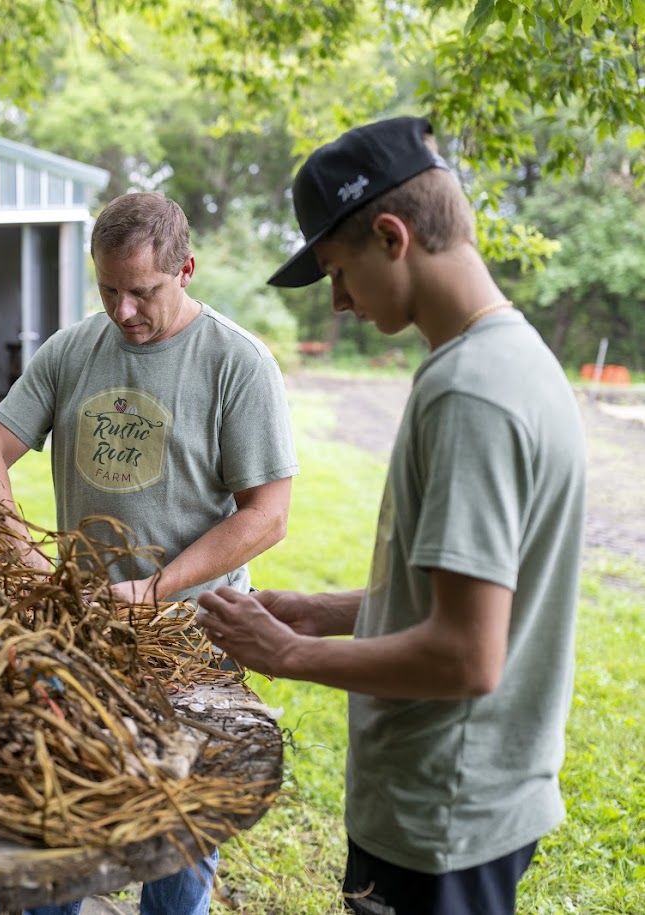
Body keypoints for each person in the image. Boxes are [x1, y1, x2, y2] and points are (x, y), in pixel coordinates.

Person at [196, 117, 586, 915]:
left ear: (390, 235)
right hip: (477, 798)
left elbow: (465, 656)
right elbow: (482, 604)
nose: (337, 303)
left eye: (337, 271)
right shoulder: (512, 359)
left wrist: (286, 653)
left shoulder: (468, 391)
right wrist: (324, 612)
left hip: (439, 812)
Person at [0, 191, 298, 915]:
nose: (122, 311)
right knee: (53, 819)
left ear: (185, 269)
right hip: (77, 634)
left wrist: (157, 588)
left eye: (141, 291)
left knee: (177, 835)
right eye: (107, 289)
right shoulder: (71, 350)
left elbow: (266, 516)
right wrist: (27, 563)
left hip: (188, 637)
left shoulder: (235, 363)